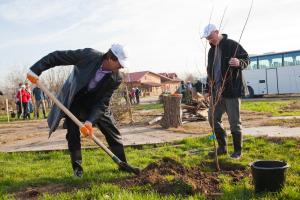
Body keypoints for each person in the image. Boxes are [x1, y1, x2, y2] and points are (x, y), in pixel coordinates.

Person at [27, 44, 135, 177]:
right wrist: (35, 70)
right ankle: (77, 169)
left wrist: (90, 122)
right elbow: (57, 56)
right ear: (111, 58)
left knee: (112, 129)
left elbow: (103, 103)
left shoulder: (116, 78)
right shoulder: (88, 56)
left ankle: (122, 164)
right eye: (120, 63)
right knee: (72, 131)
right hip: (76, 98)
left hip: (96, 104)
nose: (122, 66)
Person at [201, 24, 250, 159]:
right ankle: (222, 148)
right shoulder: (211, 51)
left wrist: (239, 62)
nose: (209, 40)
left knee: (234, 121)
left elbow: (247, 59)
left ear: (217, 32)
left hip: (231, 91)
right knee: (212, 118)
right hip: (216, 93)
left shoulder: (232, 45)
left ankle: (237, 151)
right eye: (207, 39)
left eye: (211, 37)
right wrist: (207, 89)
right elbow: (210, 72)